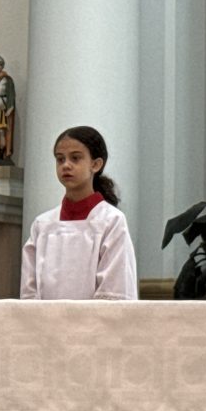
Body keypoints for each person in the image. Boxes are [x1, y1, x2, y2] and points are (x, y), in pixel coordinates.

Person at [20, 126, 138, 300]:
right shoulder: (42, 225)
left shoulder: (111, 221)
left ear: (96, 164)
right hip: (45, 318)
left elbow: (115, 292)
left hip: (96, 317)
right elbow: (29, 293)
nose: (66, 165)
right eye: (60, 159)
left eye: (75, 158)